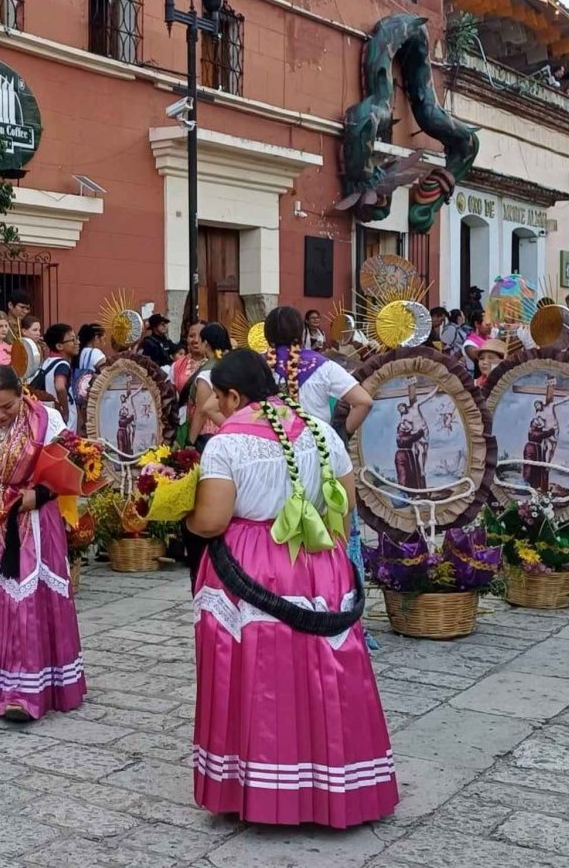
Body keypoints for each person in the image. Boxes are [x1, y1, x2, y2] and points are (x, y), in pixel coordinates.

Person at [185, 349, 396, 826]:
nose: (215, 405)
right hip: (318, 559)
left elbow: (214, 519)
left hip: (250, 565)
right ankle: (333, 783)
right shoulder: (321, 432)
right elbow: (345, 502)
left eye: (218, 396)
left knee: (260, 670)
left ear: (235, 395)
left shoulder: (226, 444)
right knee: (322, 669)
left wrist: (183, 514)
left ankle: (260, 783)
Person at [0, 366, 84, 721]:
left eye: (5, 407)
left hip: (31, 519)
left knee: (23, 598)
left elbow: (67, 469)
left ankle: (24, 691)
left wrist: (34, 496)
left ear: (21, 394)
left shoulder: (46, 420)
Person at [264, 307, 372, 438]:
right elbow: (364, 402)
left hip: (267, 449)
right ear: (302, 332)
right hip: (319, 450)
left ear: (266, 334)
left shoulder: (254, 366)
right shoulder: (324, 366)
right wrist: (339, 436)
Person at [187, 323, 234, 450]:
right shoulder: (230, 365)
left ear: (206, 343)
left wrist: (190, 442)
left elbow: (201, 412)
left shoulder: (208, 372)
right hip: (231, 429)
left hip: (208, 434)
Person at [38, 323, 79, 430]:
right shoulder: (62, 365)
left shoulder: (46, 362)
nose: (77, 343)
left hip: (49, 415)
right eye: (72, 340)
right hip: (61, 418)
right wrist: (65, 413)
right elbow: (60, 387)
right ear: (59, 346)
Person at [172, 320, 207, 392]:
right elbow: (170, 395)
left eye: (201, 336)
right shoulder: (177, 366)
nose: (196, 340)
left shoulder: (216, 365)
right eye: (191, 336)